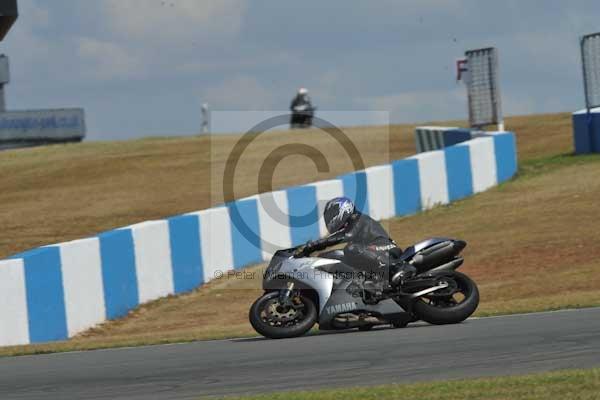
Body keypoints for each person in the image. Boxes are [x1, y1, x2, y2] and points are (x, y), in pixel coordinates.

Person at [296, 197, 416, 298]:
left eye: (332, 215)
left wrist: (313, 246)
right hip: (374, 253)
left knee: (351, 248)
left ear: (343, 208)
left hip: (386, 248)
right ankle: (359, 286)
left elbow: (344, 236)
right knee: (331, 256)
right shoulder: (351, 225)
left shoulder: (357, 218)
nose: (330, 220)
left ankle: (397, 267)